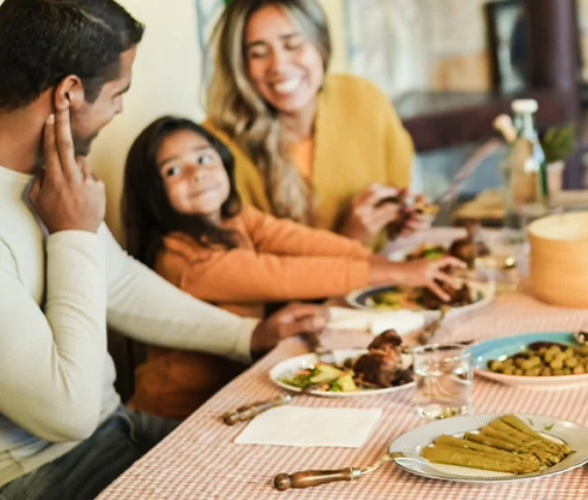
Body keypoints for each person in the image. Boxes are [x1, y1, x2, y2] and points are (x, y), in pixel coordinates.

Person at [0, 0, 327, 499]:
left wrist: (246, 337)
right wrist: (74, 233)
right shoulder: (53, 207)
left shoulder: (51, 177)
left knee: (316, 459)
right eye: (118, 94)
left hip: (120, 430)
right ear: (68, 94)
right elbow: (69, 412)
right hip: (45, 477)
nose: (121, 111)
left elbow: (120, 285)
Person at [120, 116, 462, 419]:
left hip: (232, 394)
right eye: (173, 170)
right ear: (153, 194)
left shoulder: (234, 218)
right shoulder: (182, 259)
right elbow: (282, 275)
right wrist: (401, 273)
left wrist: (379, 261)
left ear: (223, 162)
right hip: (177, 415)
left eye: (204, 157)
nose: (197, 174)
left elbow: (303, 242)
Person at [204, 0, 418, 248]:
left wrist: (401, 218)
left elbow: (399, 200)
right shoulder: (215, 147)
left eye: (293, 45)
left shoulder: (363, 99)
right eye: (258, 54)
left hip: (378, 282)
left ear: (322, 46)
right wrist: (351, 238)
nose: (279, 66)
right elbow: (249, 272)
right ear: (240, 67)